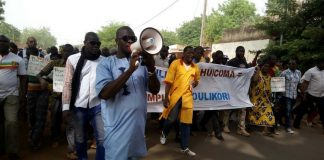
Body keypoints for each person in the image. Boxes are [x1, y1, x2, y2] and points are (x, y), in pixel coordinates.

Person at [96, 26, 160, 160]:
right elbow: (104, 94)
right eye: (126, 38)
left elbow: (155, 90)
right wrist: (130, 69)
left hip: (137, 127)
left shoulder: (142, 64)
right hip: (116, 128)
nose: (130, 41)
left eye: (133, 39)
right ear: (116, 41)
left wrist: (151, 68)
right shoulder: (106, 63)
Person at [62, 32, 105, 160]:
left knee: (102, 138)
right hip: (79, 105)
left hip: (98, 105)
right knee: (80, 138)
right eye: (92, 43)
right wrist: (65, 107)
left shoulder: (104, 61)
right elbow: (67, 84)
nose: (96, 45)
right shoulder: (73, 59)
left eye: (98, 43)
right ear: (85, 42)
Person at [160, 46, 200, 157]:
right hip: (175, 96)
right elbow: (168, 81)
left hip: (187, 98)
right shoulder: (176, 64)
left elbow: (197, 81)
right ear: (184, 53)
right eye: (188, 52)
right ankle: (164, 132)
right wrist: (166, 97)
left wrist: (195, 84)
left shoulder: (195, 68)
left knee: (186, 123)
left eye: (192, 53)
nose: (190, 55)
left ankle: (185, 147)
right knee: (172, 119)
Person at [18, 37, 48, 150]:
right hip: (28, 90)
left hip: (41, 90)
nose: (33, 43)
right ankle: (32, 136)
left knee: (40, 116)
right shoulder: (20, 55)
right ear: (27, 43)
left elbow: (46, 71)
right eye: (31, 41)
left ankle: (35, 140)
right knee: (31, 115)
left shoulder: (42, 55)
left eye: (34, 41)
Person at [0, 35, 27, 160]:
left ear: (8, 44)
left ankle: (12, 151)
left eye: (4, 42)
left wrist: (22, 95)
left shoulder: (17, 59)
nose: (1, 44)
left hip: (12, 94)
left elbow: (23, 78)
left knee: (11, 122)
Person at [224, 46, 250, 136]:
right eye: (240, 51)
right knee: (228, 108)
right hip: (231, 88)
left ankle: (241, 128)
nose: (241, 52)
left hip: (242, 90)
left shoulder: (245, 64)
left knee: (243, 109)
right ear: (236, 51)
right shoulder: (230, 62)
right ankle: (225, 125)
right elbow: (225, 73)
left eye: (243, 51)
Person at [200, 50, 224, 141]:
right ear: (214, 57)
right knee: (213, 111)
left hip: (218, 91)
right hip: (208, 91)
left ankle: (202, 123)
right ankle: (218, 132)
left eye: (221, 57)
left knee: (210, 111)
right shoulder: (208, 66)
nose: (220, 59)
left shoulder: (223, 67)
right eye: (219, 57)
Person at [296, 58, 324, 134]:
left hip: (321, 95)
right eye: (321, 63)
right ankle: (296, 124)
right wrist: (303, 94)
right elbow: (305, 83)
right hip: (310, 94)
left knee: (322, 111)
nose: (323, 65)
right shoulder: (311, 71)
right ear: (317, 63)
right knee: (303, 110)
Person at [248, 61, 275, 136]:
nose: (266, 68)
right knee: (253, 114)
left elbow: (270, 88)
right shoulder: (257, 75)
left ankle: (265, 130)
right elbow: (254, 80)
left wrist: (270, 99)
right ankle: (249, 126)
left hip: (265, 100)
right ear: (261, 66)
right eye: (264, 66)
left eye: (267, 66)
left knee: (268, 113)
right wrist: (258, 70)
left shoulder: (269, 77)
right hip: (255, 98)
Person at [280, 59, 301, 134]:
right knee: (288, 111)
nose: (293, 65)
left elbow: (298, 84)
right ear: (288, 65)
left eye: (294, 64)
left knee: (288, 110)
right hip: (286, 95)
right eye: (291, 64)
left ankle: (279, 120)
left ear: (296, 64)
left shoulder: (298, 72)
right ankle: (288, 127)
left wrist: (300, 93)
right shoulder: (284, 73)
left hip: (294, 95)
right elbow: (280, 84)